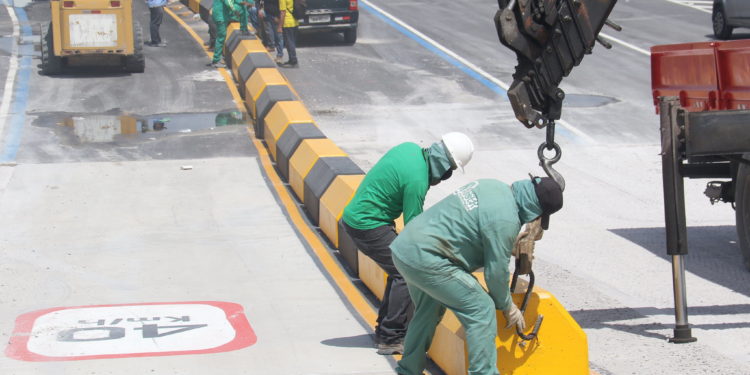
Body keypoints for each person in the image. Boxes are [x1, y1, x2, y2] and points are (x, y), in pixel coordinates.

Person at [390, 176, 564, 375]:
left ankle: (408, 370)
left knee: (428, 310)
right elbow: (495, 274)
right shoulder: (506, 220)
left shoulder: (492, 186)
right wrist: (507, 306)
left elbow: (470, 227)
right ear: (536, 209)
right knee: (481, 309)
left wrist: (505, 245)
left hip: (406, 249)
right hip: (428, 259)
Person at [341, 132, 475, 355]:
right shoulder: (417, 182)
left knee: (398, 268)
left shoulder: (409, 149)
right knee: (406, 272)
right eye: (448, 170)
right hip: (367, 225)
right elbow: (414, 230)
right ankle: (390, 337)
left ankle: (385, 330)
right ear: (444, 165)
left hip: (362, 217)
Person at [209, 0, 249, 68]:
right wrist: (235, 10)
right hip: (221, 16)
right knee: (221, 37)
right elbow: (228, 2)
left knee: (221, 37)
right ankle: (216, 60)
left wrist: (241, 2)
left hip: (221, 14)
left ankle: (217, 58)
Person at [277, 0, 298, 68]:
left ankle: (293, 61)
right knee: (292, 42)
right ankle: (291, 60)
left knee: (289, 43)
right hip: (295, 21)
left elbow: (283, 12)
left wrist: (280, 26)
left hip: (287, 22)